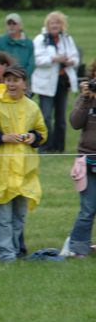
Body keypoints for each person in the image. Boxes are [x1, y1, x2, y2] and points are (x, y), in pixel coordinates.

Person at [0, 65, 47, 262]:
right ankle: (6, 256)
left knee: (19, 217)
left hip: (25, 170)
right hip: (1, 169)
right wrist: (2, 137)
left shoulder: (32, 107)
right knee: (2, 218)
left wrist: (32, 137)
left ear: (24, 84)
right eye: (8, 80)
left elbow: (42, 132)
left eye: (15, 80)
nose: (11, 84)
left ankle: (15, 250)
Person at [32, 11, 80, 153]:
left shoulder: (67, 39)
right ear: (47, 24)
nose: (55, 25)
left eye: (58, 23)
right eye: (52, 23)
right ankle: (45, 146)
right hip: (45, 83)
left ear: (62, 25)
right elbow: (37, 59)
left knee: (61, 119)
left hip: (62, 82)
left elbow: (75, 57)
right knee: (45, 117)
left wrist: (71, 61)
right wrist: (54, 59)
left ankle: (59, 148)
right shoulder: (40, 39)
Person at [67, 62, 96, 258]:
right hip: (88, 160)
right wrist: (86, 99)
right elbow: (75, 123)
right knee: (88, 208)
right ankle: (78, 249)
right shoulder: (86, 98)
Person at [0, 13, 35, 79]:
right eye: (9, 24)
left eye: (14, 23)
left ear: (20, 26)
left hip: (23, 79)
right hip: (3, 79)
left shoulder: (29, 43)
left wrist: (22, 77)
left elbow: (31, 64)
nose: (11, 26)